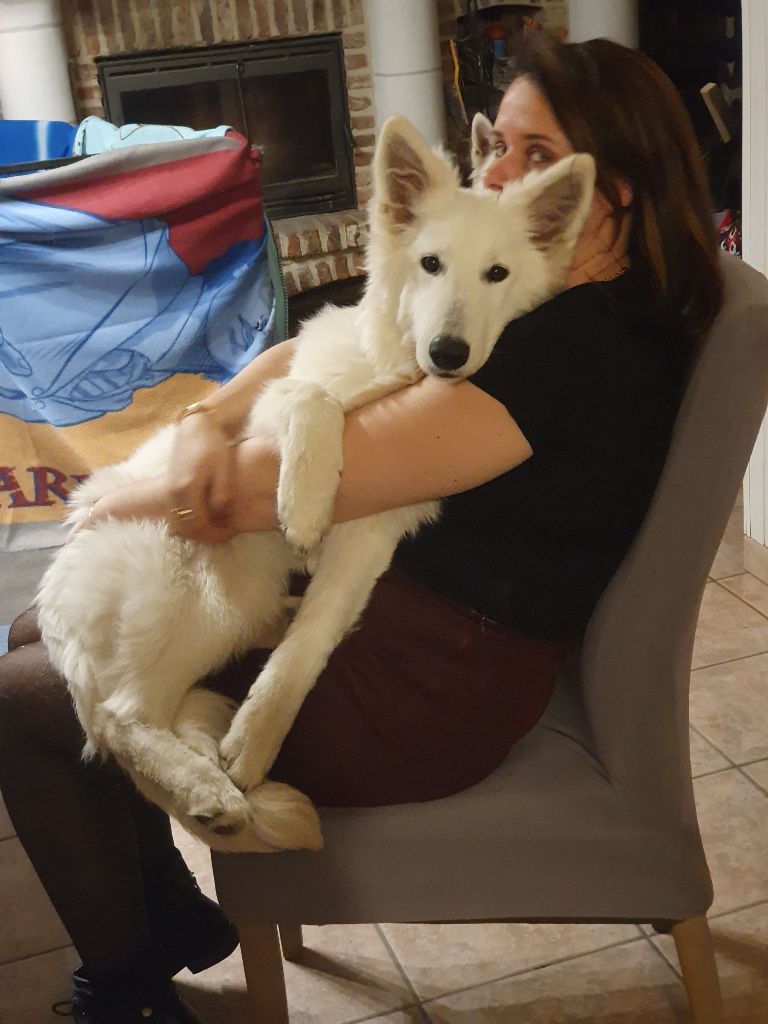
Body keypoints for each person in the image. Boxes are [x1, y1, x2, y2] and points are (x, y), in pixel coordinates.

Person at [0, 35, 723, 1024]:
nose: (496, 175)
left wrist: (120, 493)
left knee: (21, 702)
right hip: (386, 610)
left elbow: (265, 493)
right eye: (496, 146)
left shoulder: (563, 344)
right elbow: (330, 339)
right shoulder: (541, 291)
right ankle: (163, 917)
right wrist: (206, 420)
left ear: (612, 194)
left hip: (416, 684)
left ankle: (127, 991)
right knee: (38, 632)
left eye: (536, 156)